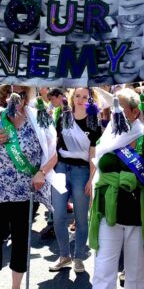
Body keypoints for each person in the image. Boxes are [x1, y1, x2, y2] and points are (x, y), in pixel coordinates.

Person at [0, 85, 57, 289]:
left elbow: (53, 154)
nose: (16, 97)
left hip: (24, 193)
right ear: (5, 95)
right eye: (11, 92)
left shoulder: (38, 119)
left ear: (28, 96)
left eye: (21, 92)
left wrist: (41, 172)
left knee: (20, 242)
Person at [89, 88, 144, 289]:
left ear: (135, 112)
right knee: (103, 273)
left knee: (135, 276)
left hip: (139, 216)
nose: (114, 113)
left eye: (120, 109)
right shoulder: (107, 136)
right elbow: (98, 172)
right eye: (112, 108)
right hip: (108, 214)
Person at [49, 88, 101, 274]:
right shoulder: (63, 117)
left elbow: (94, 152)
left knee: (81, 218)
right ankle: (64, 256)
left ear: (91, 99)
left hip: (82, 171)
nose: (80, 100)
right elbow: (55, 145)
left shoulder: (94, 121)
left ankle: (78, 257)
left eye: (85, 97)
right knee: (58, 215)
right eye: (77, 96)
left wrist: (91, 179)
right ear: (72, 98)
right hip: (61, 168)